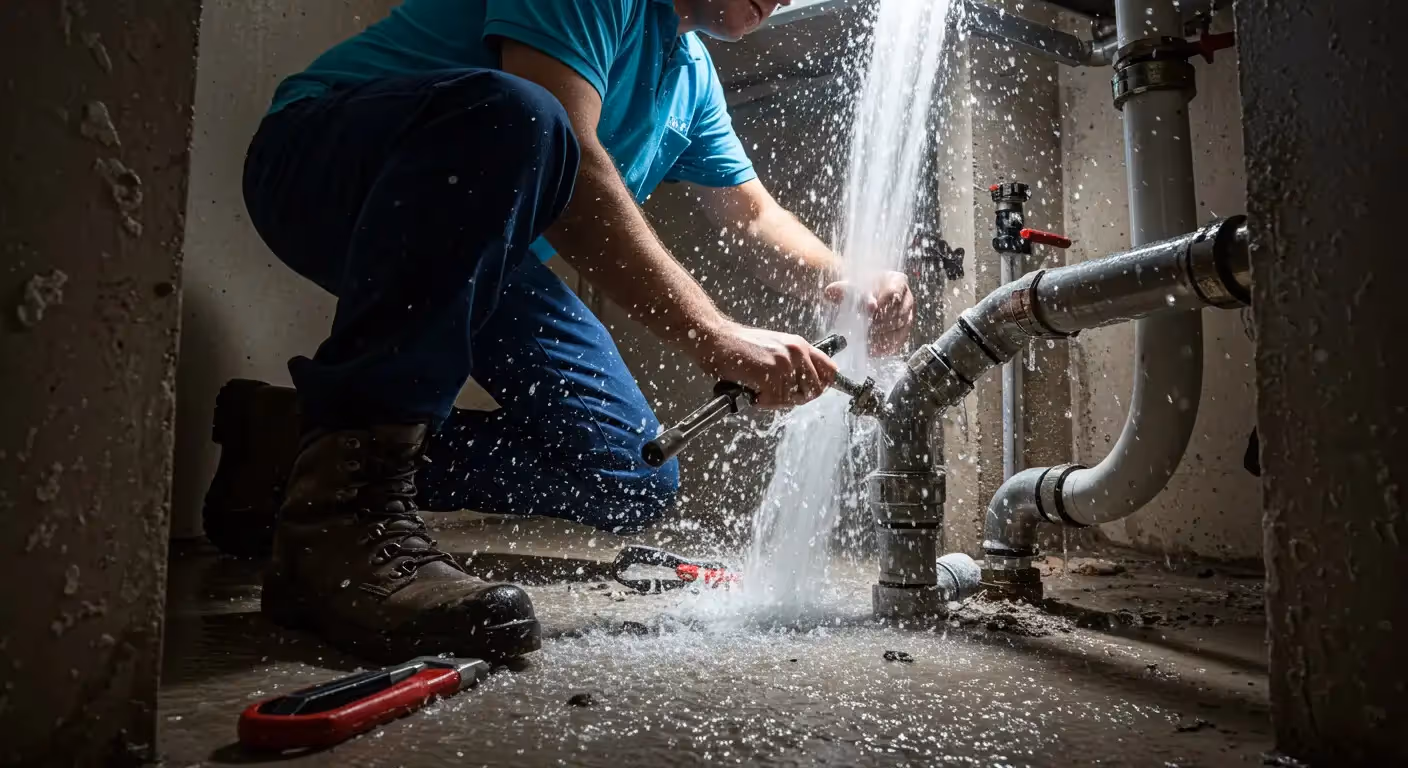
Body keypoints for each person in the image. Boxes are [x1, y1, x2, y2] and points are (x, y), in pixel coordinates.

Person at [214, 0, 916, 662]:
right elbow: (566, 149)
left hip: (490, 236)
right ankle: (341, 523)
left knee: (631, 472)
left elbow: (752, 216)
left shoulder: (690, 72)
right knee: (520, 115)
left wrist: (851, 280)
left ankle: (295, 448)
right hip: (322, 163)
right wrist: (714, 334)